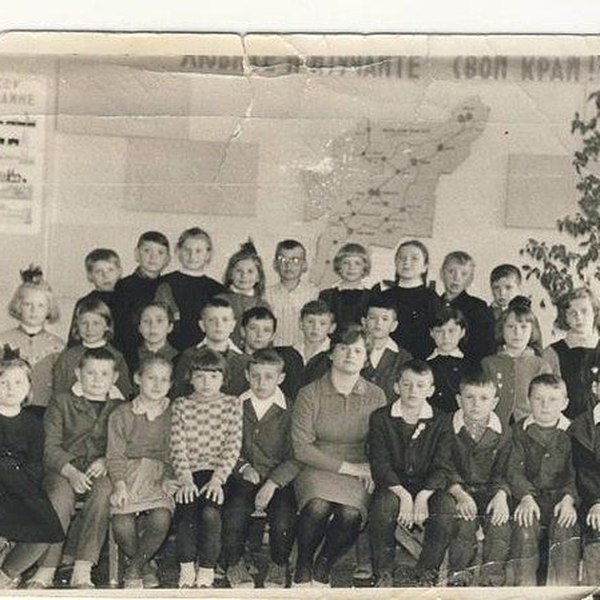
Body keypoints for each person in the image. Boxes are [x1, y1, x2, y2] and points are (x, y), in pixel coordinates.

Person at [291, 323, 386, 587]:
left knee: (350, 514)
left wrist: (370, 468)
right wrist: (351, 469)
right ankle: (302, 568)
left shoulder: (376, 395)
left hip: (360, 466)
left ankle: (322, 568)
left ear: (365, 359)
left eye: (357, 350)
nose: (349, 355)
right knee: (317, 507)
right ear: (331, 353)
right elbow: (302, 448)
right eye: (343, 348)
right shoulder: (309, 393)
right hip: (316, 464)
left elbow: (381, 443)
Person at [26, 347, 124, 589]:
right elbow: (49, 446)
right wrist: (70, 471)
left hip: (100, 470)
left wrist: (106, 460)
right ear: (78, 373)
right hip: (62, 469)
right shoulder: (61, 401)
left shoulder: (121, 406)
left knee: (104, 492)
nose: (97, 379)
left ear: (114, 377)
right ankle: (47, 568)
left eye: (104, 374)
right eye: (90, 373)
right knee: (59, 498)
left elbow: (126, 444)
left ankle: (83, 567)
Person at [420, 370, 512, 586]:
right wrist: (459, 494)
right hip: (455, 491)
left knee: (500, 524)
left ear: (494, 402)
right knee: (464, 524)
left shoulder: (505, 432)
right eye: (469, 397)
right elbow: (442, 464)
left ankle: (492, 581)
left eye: (484, 398)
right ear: (458, 400)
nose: (476, 404)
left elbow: (504, 470)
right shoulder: (446, 426)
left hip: (489, 491)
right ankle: (458, 578)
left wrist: (501, 495)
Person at [222, 349, 299, 588]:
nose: (261, 382)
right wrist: (243, 467)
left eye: (268, 377)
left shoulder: (290, 409)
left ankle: (278, 564)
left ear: (280, 378)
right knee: (235, 511)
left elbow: (297, 455)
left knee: (284, 517)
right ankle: (234, 563)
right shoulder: (234, 406)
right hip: (243, 475)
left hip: (278, 478)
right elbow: (223, 445)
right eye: (255, 376)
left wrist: (274, 482)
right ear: (247, 375)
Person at [367, 360, 447, 587]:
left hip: (428, 486)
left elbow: (443, 465)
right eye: (407, 384)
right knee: (383, 508)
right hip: (393, 485)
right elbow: (380, 463)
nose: (413, 391)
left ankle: (426, 573)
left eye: (421, 385)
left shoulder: (441, 420)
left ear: (431, 390)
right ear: (396, 387)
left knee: (446, 510)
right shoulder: (381, 417)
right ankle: (383, 573)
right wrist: (403, 495)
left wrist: (422, 496)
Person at [170, 348, 242, 589]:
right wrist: (185, 479)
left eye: (213, 376)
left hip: (220, 475)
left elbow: (232, 446)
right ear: (190, 378)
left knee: (210, 513)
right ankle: (186, 568)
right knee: (186, 511)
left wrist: (218, 480)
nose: (206, 382)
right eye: (200, 376)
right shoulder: (181, 405)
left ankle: (207, 569)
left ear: (224, 379)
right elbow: (177, 446)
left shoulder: (232, 404)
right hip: (189, 473)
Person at [107, 357, 176, 589]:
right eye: (151, 378)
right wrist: (119, 484)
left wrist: (169, 476)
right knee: (121, 523)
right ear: (138, 379)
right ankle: (144, 566)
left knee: (161, 517)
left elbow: (177, 451)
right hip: (128, 474)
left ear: (171, 384)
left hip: (159, 474)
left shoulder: (175, 413)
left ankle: (134, 568)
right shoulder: (121, 413)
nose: (157, 384)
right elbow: (115, 454)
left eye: (164, 379)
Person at [507, 374, 579, 586]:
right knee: (524, 527)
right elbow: (513, 469)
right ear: (528, 400)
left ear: (565, 403)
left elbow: (577, 472)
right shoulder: (518, 431)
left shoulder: (574, 431)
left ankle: (565, 591)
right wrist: (525, 497)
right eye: (538, 399)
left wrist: (569, 499)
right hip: (529, 500)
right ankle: (525, 591)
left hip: (562, 501)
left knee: (566, 531)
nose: (545, 405)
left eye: (553, 400)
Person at [0, 350, 64, 588]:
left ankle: (5, 576)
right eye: (3, 382)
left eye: (18, 382)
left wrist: (29, 491)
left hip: (22, 490)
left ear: (29, 387)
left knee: (47, 529)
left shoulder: (33, 423)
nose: (10, 388)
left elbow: (35, 463)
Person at [0, 266, 64, 415]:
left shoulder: (58, 346)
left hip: (46, 413)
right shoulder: (3, 341)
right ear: (18, 306)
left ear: (49, 309)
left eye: (41, 305)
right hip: (8, 411)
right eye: (28, 304)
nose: (33, 310)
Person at [481, 296, 551, 427]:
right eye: (510, 326)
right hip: (495, 427)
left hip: (531, 427)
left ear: (532, 331)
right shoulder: (488, 364)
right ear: (501, 330)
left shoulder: (541, 366)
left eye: (523, 327)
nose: (517, 332)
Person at [155, 227, 226, 351]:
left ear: (208, 254)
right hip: (169, 351)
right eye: (187, 250)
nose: (192, 255)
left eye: (198, 251)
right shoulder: (164, 283)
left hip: (206, 353)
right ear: (178, 250)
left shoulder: (217, 289)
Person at [371, 240, 442, 360]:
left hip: (420, 363)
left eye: (414, 258)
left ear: (425, 267)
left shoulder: (432, 299)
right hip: (385, 362)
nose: (407, 262)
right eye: (402, 258)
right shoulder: (383, 297)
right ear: (395, 262)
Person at [52, 297, 131, 399]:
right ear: (76, 326)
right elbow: (59, 392)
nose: (89, 329)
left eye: (96, 323)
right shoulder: (68, 357)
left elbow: (124, 392)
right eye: (84, 323)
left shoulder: (117, 357)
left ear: (107, 326)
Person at [113, 231, 171, 365]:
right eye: (147, 251)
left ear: (168, 259)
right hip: (131, 355)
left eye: (160, 253)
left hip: (162, 355)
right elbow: (120, 329)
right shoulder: (124, 286)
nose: (153, 257)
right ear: (137, 254)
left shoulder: (168, 285)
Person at [173, 296, 249, 397]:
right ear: (202, 325)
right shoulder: (189, 356)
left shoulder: (244, 361)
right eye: (211, 320)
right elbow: (179, 393)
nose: (218, 325)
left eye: (225, 320)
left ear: (233, 325)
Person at [543, 287, 600, 419]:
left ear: (595, 312)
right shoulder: (553, 353)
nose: (578, 317)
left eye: (584, 311)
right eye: (572, 313)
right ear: (565, 318)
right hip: (567, 423)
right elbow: (547, 394)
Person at [569, 366, 600, 584]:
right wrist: (597, 501)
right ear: (595, 388)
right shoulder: (582, 427)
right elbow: (583, 472)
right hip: (591, 500)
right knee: (596, 525)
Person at [439, 251, 495, 363]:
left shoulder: (478, 308)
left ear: (470, 279)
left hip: (468, 366)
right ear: (442, 274)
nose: (456, 278)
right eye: (451, 272)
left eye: (464, 274)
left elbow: (486, 346)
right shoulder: (432, 304)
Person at [239, 306, 303, 401]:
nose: (259, 334)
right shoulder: (233, 360)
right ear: (243, 331)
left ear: (273, 336)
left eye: (266, 330)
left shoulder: (288, 358)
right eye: (253, 328)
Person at [265, 239, 318, 347]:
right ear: (275, 264)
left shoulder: (314, 293)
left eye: (295, 260)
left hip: (304, 352)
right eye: (282, 259)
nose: (288, 265)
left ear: (304, 265)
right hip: (274, 351)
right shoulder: (266, 295)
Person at [361, 295, 412, 404]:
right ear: (364, 322)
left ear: (394, 325)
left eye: (385, 319)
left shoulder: (404, 358)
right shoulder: (352, 351)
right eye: (373, 318)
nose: (378, 323)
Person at [67, 249, 122, 347]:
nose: (105, 276)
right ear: (90, 276)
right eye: (98, 271)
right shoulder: (85, 302)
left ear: (119, 272)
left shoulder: (127, 298)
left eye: (110, 270)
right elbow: (75, 338)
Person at [221, 239, 270, 348]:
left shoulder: (263, 305)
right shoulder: (220, 301)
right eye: (239, 271)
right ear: (230, 274)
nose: (244, 276)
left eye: (250, 271)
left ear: (258, 277)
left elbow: (267, 339)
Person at [427, 307, 469, 414]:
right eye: (439, 331)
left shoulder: (471, 365)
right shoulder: (425, 365)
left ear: (462, 332)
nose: (445, 337)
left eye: (451, 331)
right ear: (431, 333)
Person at [319, 242, 372, 327]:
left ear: (364, 268)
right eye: (346, 263)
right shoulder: (326, 296)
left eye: (357, 263)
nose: (351, 267)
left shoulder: (372, 297)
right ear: (339, 266)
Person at [128, 301, 178, 376]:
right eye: (146, 321)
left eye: (159, 320)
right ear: (139, 327)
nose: (152, 326)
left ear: (170, 327)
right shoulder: (129, 357)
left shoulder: (179, 358)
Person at [294, 299, 336, 387]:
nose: (315, 327)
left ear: (332, 328)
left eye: (322, 323)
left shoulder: (334, 354)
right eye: (310, 322)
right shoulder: (291, 352)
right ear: (300, 323)